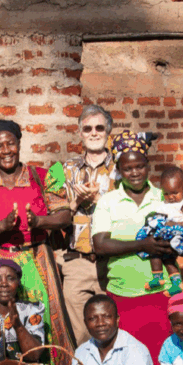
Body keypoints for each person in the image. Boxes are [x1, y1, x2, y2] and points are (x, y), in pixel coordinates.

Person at [0, 119, 74, 356]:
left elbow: (65, 216)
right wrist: (2, 226)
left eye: (10, 143)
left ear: (19, 143)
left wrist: (39, 222)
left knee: (44, 319)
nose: (6, 151)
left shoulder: (43, 177)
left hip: (37, 260)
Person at [90, 130, 175, 365]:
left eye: (140, 166)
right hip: (123, 293)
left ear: (148, 165)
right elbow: (101, 245)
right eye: (127, 169)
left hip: (160, 292)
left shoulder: (163, 197)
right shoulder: (109, 202)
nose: (135, 173)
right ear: (119, 169)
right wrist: (142, 245)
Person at [58, 105, 115, 347]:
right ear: (80, 133)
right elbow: (57, 215)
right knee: (78, 333)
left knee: (112, 328)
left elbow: (129, 213)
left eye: (99, 128)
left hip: (112, 263)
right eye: (88, 128)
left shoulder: (123, 167)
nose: (94, 133)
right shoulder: (66, 169)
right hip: (77, 263)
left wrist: (99, 202)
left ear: (108, 132)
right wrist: (77, 201)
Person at [141, 165, 183, 296]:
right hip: (165, 235)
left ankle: (172, 282)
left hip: (178, 235)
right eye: (166, 193)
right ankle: (161, 279)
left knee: (168, 258)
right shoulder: (164, 203)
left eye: (175, 193)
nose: (170, 197)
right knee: (156, 254)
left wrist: (176, 225)